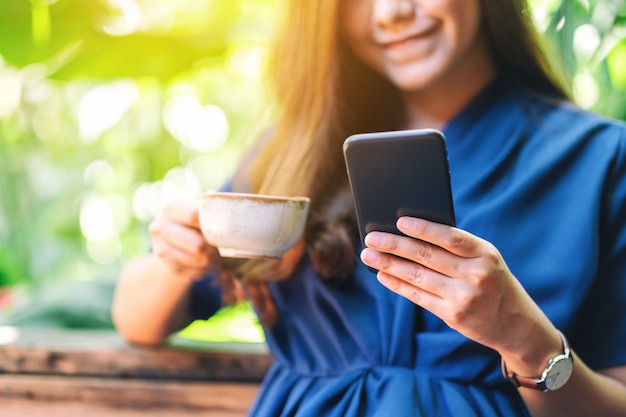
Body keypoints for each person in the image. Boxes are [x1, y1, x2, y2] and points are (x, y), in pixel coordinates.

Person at [112, 0, 626, 415]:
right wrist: (179, 255)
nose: (388, 12)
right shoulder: (297, 151)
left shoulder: (599, 161)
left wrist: (525, 339)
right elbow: (137, 320)